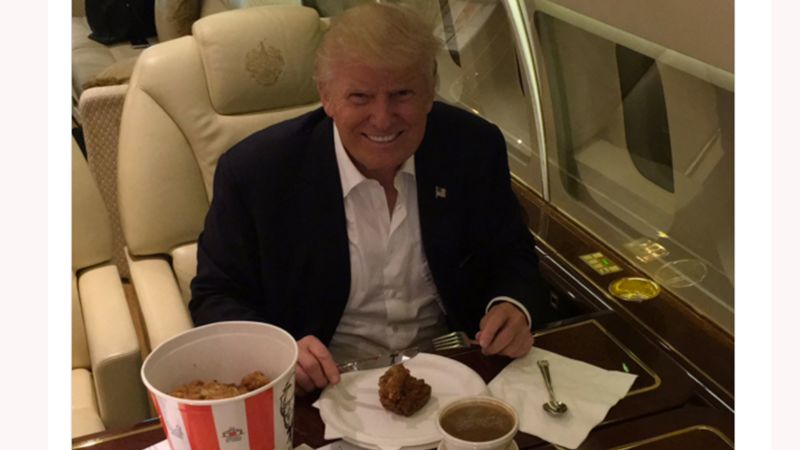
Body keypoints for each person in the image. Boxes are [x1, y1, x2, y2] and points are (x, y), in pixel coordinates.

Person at [189, 3, 553, 395]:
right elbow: (215, 297)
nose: (382, 118)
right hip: (323, 387)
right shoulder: (256, 172)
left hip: (453, 374)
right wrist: (278, 353)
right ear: (326, 96)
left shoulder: (473, 148)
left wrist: (513, 306)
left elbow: (512, 254)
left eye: (402, 94)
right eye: (360, 97)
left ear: (431, 92)